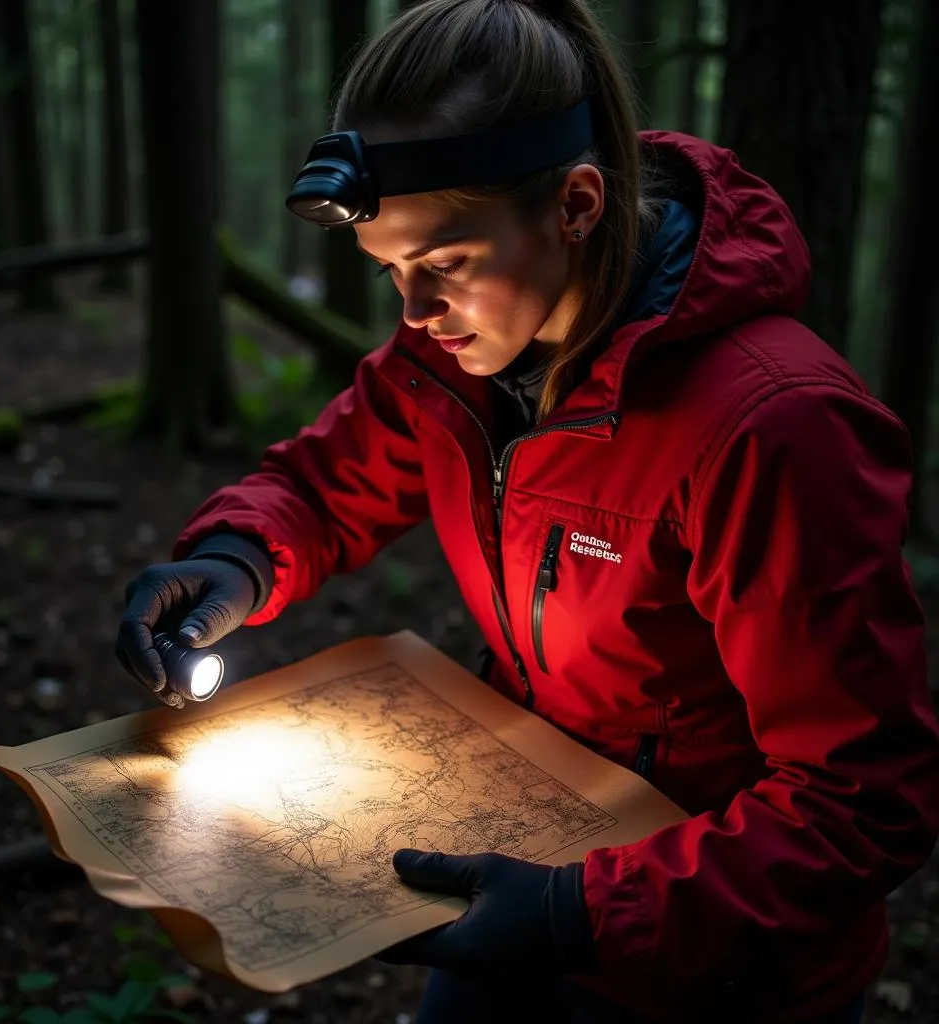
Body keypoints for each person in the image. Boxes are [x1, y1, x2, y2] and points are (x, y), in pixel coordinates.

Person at [115, 1, 939, 1020]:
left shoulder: (773, 429)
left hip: (711, 962)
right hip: (507, 878)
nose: (412, 314)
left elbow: (860, 798)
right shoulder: (451, 362)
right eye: (390, 273)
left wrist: (579, 912)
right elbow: (324, 482)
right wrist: (238, 556)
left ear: (578, 204)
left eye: (445, 266)